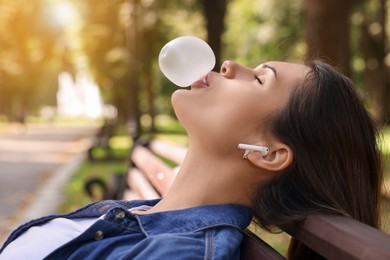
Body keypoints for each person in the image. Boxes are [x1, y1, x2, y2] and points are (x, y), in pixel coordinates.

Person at [0, 59, 382, 259]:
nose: (230, 65)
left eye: (259, 78)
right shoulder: (140, 215)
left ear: (271, 154)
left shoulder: (178, 253)